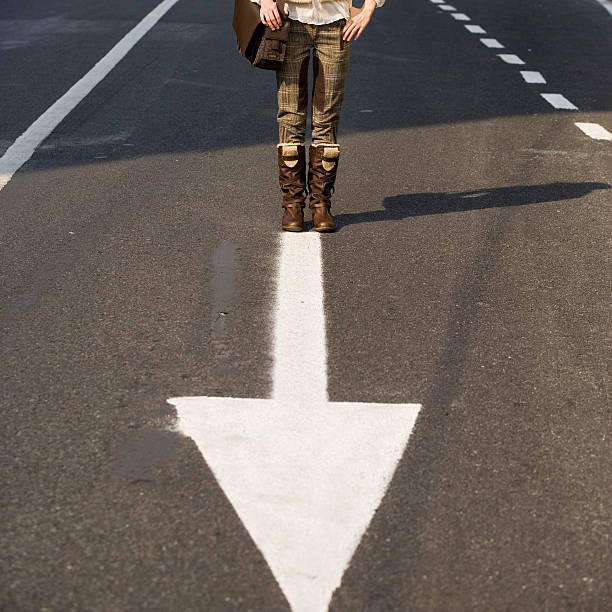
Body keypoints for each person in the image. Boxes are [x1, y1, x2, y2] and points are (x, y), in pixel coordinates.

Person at [251, 0, 385, 232]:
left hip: (336, 25)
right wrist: (264, 2)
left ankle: (321, 204)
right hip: (289, 21)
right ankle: (292, 205)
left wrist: (368, 10)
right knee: (290, 114)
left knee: (327, 114)